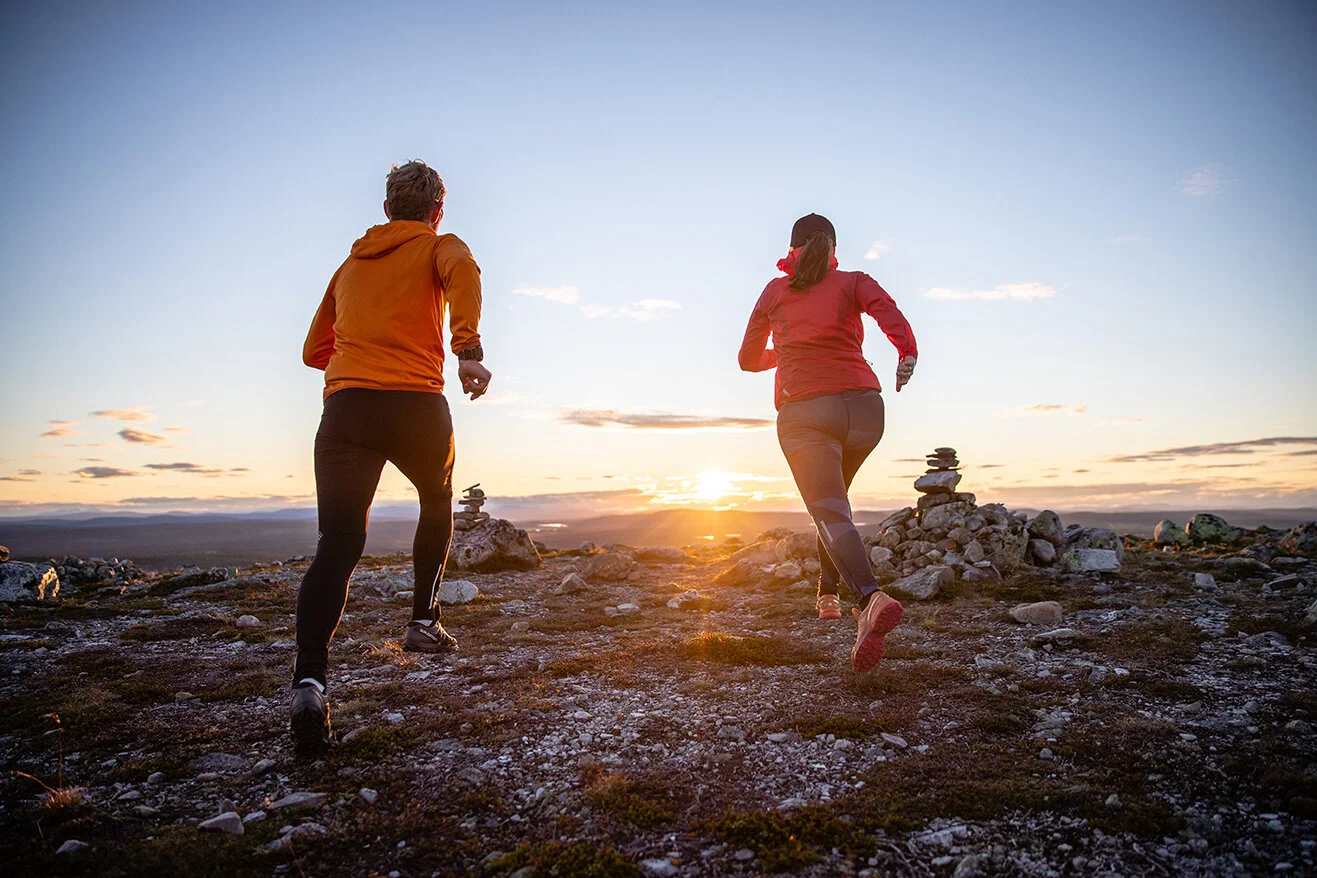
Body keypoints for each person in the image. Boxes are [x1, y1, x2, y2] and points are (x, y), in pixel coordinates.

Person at [290, 160, 492, 757]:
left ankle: (309, 682)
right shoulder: (441, 245)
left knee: (339, 542)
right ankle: (423, 622)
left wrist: (358, 355)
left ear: (386, 211)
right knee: (437, 500)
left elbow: (312, 351)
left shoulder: (350, 265)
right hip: (414, 405)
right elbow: (464, 275)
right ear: (437, 210)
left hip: (347, 410)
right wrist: (468, 350)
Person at [738, 213, 918, 672]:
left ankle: (870, 597)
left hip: (806, 414)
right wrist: (906, 352)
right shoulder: (855, 281)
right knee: (835, 507)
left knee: (830, 512)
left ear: (791, 248)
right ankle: (831, 595)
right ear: (832, 247)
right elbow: (889, 312)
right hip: (865, 410)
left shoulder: (775, 291)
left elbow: (746, 360)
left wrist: (790, 351)